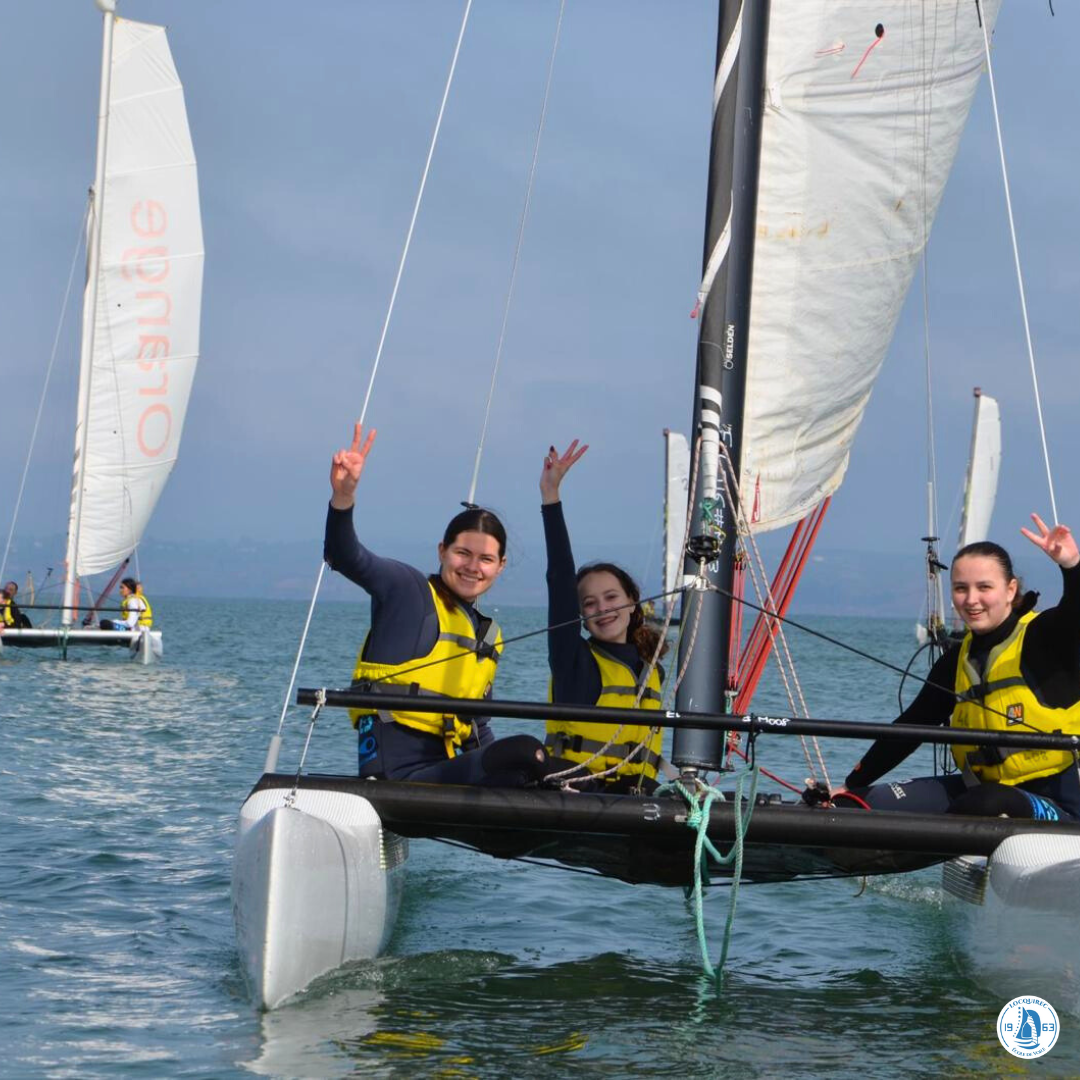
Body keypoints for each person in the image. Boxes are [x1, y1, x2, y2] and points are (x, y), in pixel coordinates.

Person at [326, 422, 555, 787]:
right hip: (395, 775)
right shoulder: (407, 590)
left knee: (545, 772)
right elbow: (345, 556)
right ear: (442, 551)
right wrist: (343, 497)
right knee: (529, 753)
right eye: (462, 553)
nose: (472, 567)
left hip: (448, 772)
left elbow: (477, 727)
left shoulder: (486, 635)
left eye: (486, 559)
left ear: (500, 566)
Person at [836, 514, 1080, 820]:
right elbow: (911, 727)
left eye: (984, 587)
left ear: (1010, 589)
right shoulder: (956, 661)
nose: (971, 599)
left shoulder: (1044, 637)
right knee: (849, 807)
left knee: (985, 803)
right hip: (978, 792)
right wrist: (850, 785)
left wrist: (1071, 566)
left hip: (1059, 802)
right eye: (961, 588)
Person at [540, 440, 668, 793]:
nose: (602, 608)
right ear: (580, 615)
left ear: (632, 602)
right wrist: (551, 496)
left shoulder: (652, 667)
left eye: (611, 597)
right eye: (590, 603)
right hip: (581, 790)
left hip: (638, 795)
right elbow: (560, 579)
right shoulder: (573, 661)